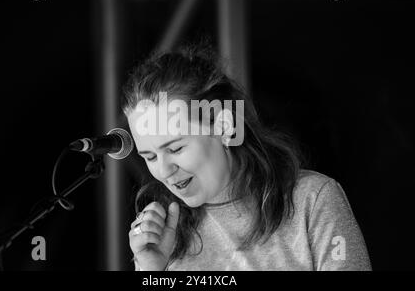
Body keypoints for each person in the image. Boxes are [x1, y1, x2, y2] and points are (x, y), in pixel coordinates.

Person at [123, 43, 371, 271]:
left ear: (224, 126)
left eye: (176, 149)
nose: (164, 171)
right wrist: (150, 270)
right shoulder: (164, 233)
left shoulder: (313, 199)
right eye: (149, 156)